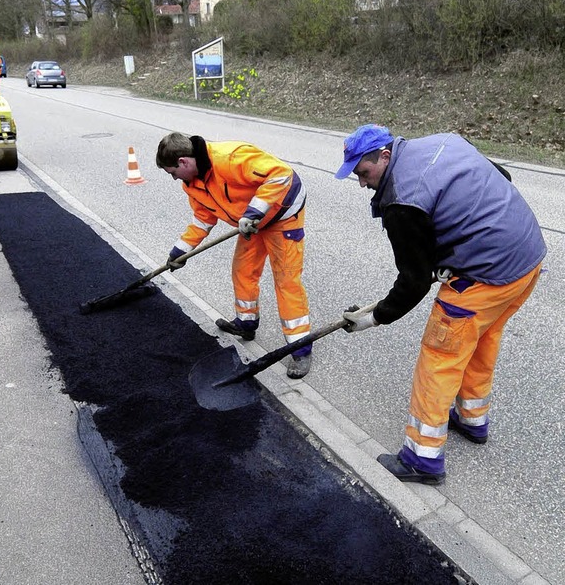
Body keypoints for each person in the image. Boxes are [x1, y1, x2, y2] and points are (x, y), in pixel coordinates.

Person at [336, 124, 546, 485]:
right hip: (527, 261)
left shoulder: (402, 202)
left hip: (486, 276)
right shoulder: (443, 142)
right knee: (481, 339)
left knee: (440, 357)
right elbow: (502, 176)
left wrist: (373, 318)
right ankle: (472, 419)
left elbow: (414, 280)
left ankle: (422, 458)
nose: (362, 184)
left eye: (364, 173)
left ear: (384, 157)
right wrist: (455, 248)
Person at [156, 132, 312, 378]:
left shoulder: (230, 158)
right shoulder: (193, 183)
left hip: (283, 216)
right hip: (252, 224)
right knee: (243, 270)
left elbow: (281, 175)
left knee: (286, 281)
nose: (174, 178)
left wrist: (253, 212)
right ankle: (246, 324)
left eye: (172, 173)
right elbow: (202, 219)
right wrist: (180, 251)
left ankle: (300, 349)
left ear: (183, 162)